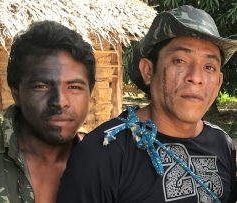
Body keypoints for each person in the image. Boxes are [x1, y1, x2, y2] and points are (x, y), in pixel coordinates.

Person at [56, 5, 237, 203]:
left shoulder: (222, 144)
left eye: (209, 67)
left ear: (218, 82)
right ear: (148, 71)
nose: (196, 77)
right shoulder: (103, 152)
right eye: (180, 60)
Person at [0, 20, 95, 203]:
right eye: (41, 86)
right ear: (16, 92)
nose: (60, 102)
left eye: (74, 87)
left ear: (90, 92)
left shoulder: (106, 163)